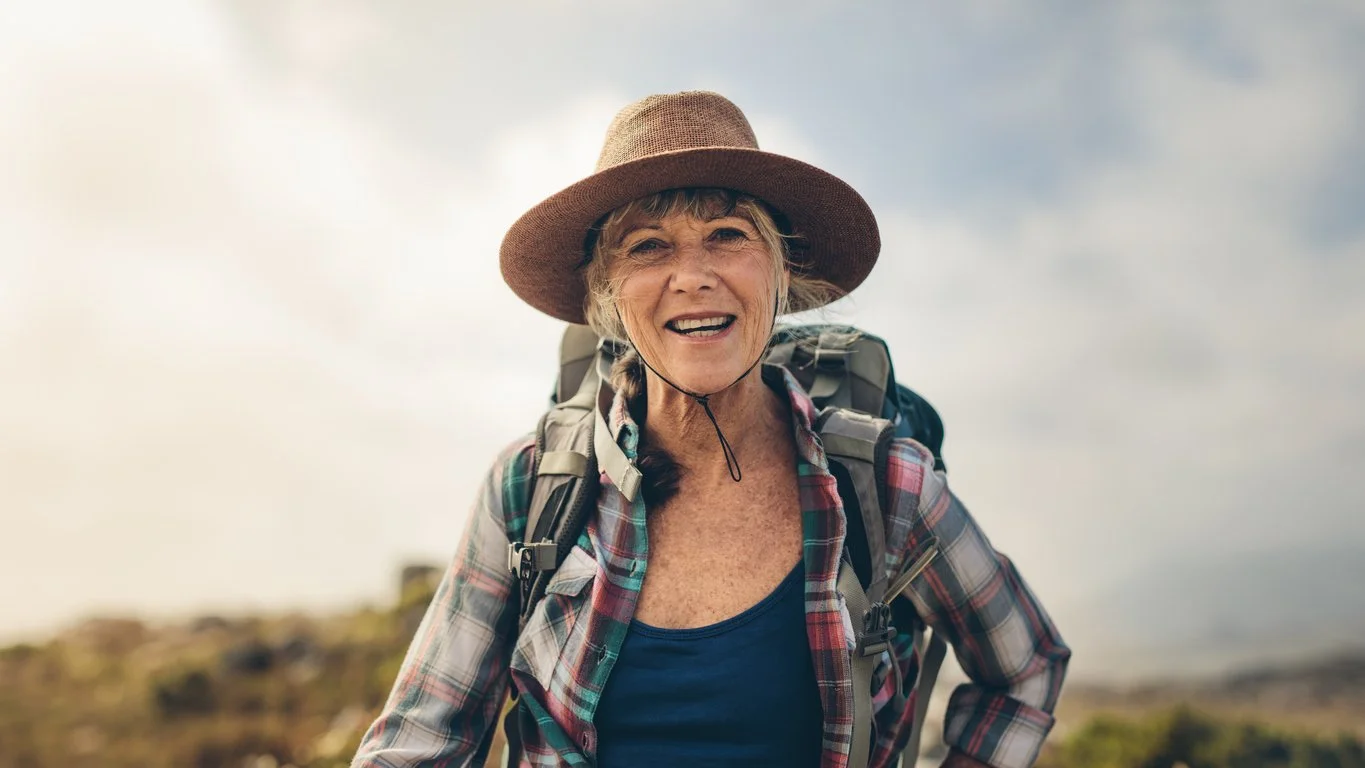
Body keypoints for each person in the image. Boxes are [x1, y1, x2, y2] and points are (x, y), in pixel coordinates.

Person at [352, 91, 1070, 768]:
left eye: (726, 235)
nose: (692, 276)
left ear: (780, 271)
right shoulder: (531, 485)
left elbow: (1025, 666)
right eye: (647, 247)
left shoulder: (884, 480)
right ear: (606, 295)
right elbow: (422, 738)